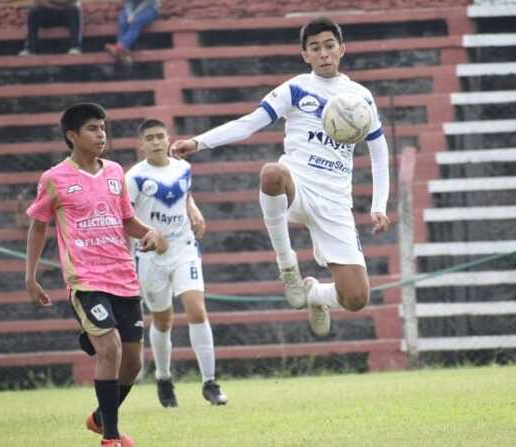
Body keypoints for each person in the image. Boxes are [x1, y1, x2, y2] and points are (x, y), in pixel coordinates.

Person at [170, 17, 391, 337]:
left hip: (335, 201)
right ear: (305, 55)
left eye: (329, 46)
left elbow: (379, 150)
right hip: (296, 185)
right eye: (315, 48)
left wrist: (378, 205)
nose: (323, 53)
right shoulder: (296, 87)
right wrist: (199, 142)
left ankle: (315, 294)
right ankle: (287, 266)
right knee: (272, 173)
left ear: (342, 49)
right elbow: (249, 123)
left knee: (356, 298)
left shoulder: (360, 97)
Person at [25, 103, 168, 447]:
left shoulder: (116, 172)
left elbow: (127, 221)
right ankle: (110, 437)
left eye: (103, 127)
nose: (101, 134)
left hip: (123, 278)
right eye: (92, 128)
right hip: (86, 280)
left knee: (133, 364)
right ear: (71, 136)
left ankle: (100, 417)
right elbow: (38, 226)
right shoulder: (55, 178)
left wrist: (151, 233)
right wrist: (30, 276)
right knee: (110, 348)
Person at [126, 119, 228, 407]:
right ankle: (163, 377)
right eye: (150, 138)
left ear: (168, 138)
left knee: (197, 309)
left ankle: (210, 382)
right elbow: (125, 220)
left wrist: (194, 210)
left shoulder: (182, 167)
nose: (157, 142)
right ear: (142, 144)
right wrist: (134, 249)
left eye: (160, 136)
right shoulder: (133, 178)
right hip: (150, 256)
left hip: (183, 248)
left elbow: (186, 195)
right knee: (163, 319)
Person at [104, 0, 160, 65]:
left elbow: (147, 3)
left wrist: (134, 14)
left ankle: (119, 47)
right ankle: (123, 52)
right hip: (132, 9)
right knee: (122, 22)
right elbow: (128, 2)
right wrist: (129, 14)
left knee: (136, 21)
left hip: (150, 8)